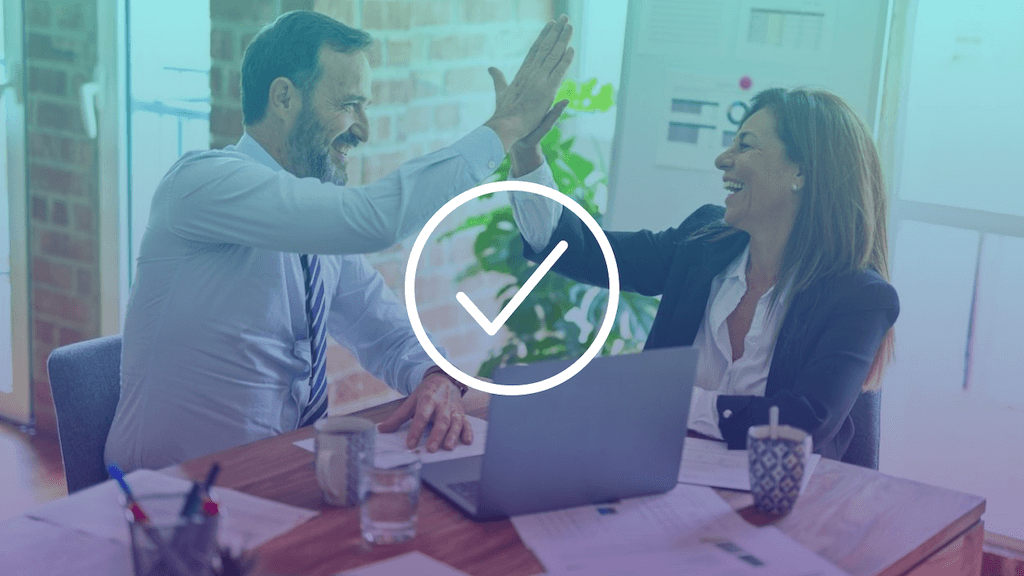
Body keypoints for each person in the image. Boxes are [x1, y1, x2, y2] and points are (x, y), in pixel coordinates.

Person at [105, 10, 570, 472]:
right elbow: (375, 220)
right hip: (170, 500)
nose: (363, 130)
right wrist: (505, 126)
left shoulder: (314, 225)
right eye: (349, 105)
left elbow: (385, 331)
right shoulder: (203, 183)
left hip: (281, 477)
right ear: (284, 97)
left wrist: (434, 376)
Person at [509, 88, 898, 461]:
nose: (723, 159)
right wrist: (526, 153)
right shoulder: (702, 243)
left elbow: (803, 423)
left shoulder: (858, 297)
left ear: (801, 171)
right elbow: (583, 249)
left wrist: (669, 400)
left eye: (745, 145)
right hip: (656, 477)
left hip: (783, 507)